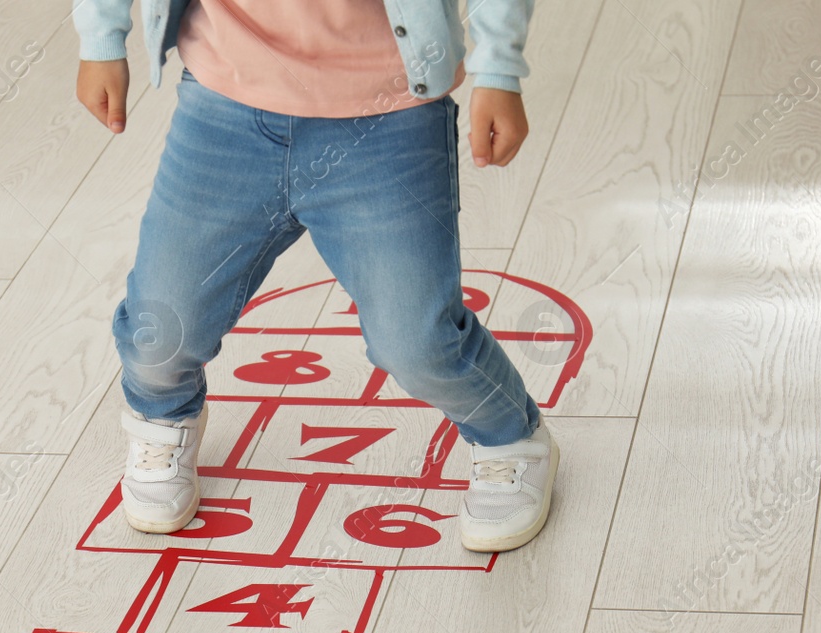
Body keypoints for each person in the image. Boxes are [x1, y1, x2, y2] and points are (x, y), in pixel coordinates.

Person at [73, 0, 556, 552]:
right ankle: (163, 417)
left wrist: (498, 69)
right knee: (158, 331)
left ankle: (510, 437)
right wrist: (100, 37)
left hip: (387, 113)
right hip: (226, 102)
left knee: (419, 345)